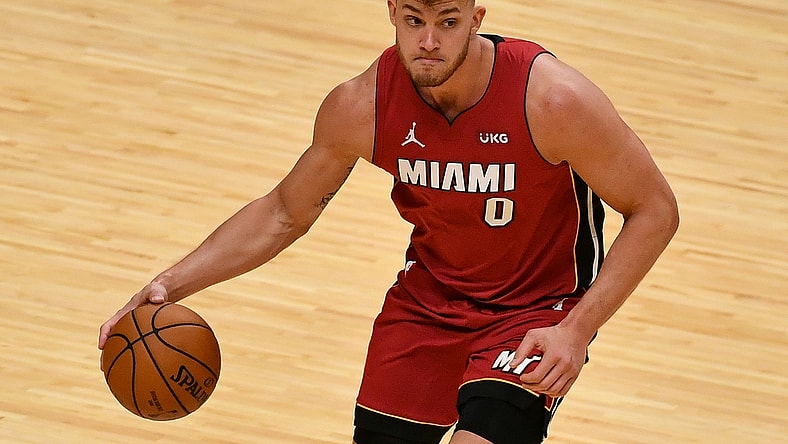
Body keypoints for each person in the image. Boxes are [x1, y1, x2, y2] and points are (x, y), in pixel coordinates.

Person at [99, 1, 679, 443]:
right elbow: (282, 212)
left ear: (476, 18)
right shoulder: (362, 106)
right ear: (391, 14)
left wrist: (575, 330)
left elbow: (655, 209)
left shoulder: (551, 100)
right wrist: (165, 287)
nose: (428, 40)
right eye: (413, 19)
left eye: (448, 21)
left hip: (537, 311)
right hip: (427, 306)